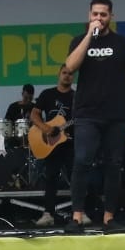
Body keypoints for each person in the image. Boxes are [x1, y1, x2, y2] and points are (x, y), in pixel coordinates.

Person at [63, 0, 125, 233]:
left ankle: (109, 217)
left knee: (114, 164)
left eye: (103, 14)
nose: (99, 18)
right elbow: (70, 67)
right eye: (95, 14)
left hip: (116, 112)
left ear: (111, 16)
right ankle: (77, 217)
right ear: (89, 15)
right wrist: (90, 36)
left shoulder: (122, 43)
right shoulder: (79, 40)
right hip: (87, 113)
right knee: (82, 161)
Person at [30, 64, 75, 228]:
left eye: (70, 74)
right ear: (59, 74)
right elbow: (34, 114)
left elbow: (82, 118)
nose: (67, 76)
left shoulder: (76, 97)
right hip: (51, 144)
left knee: (76, 178)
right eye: (64, 73)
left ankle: (79, 213)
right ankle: (48, 214)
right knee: (50, 178)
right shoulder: (47, 94)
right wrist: (46, 129)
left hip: (70, 143)